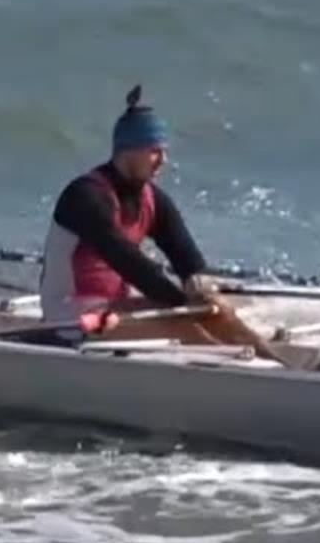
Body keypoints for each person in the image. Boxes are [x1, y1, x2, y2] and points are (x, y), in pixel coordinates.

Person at [37, 86, 281, 356]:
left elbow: (187, 257)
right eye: (154, 151)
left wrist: (198, 285)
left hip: (116, 309)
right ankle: (244, 370)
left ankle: (284, 368)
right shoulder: (85, 197)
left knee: (216, 312)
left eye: (164, 151)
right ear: (128, 150)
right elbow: (128, 262)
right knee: (184, 327)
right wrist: (182, 302)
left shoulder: (152, 200)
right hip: (71, 316)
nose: (163, 160)